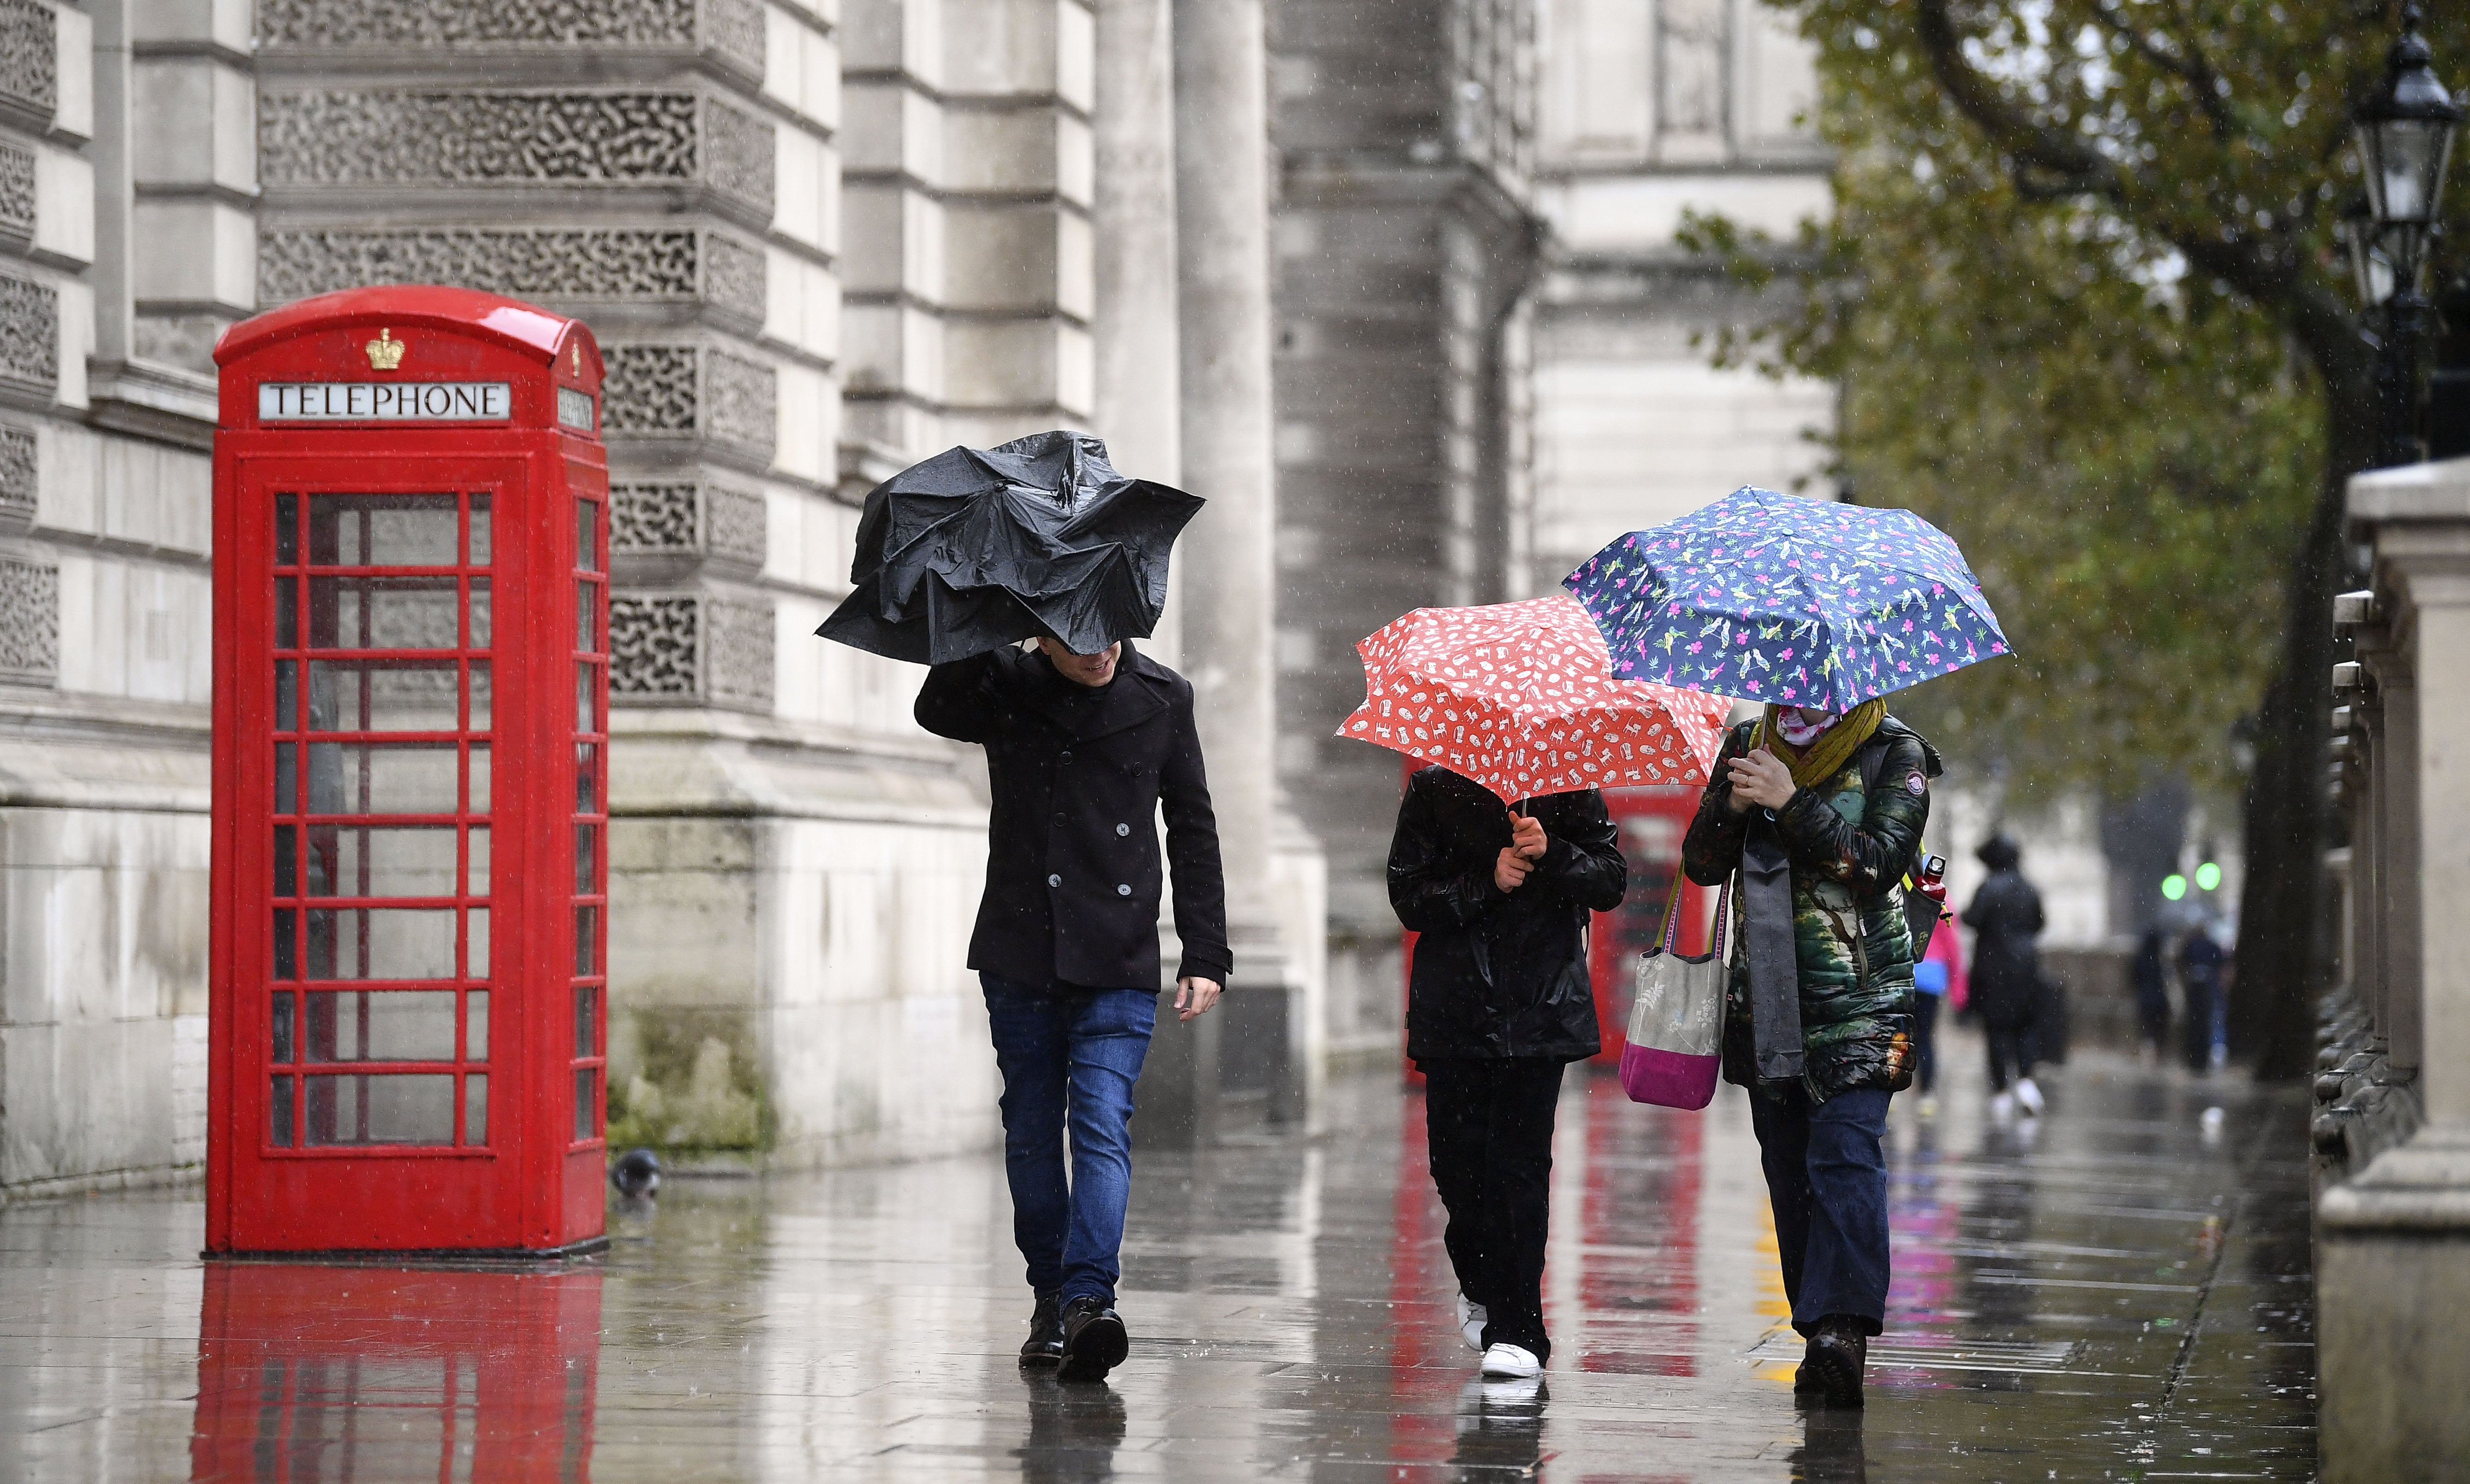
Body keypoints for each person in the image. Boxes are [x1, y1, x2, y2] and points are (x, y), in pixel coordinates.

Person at [915, 635, 1229, 1383]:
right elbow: (935, 709)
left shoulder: (1163, 695)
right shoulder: (1005, 681)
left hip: (1116, 954)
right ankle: (1049, 1297)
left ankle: (1091, 1298)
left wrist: (1205, 951)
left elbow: (1191, 825)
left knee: (1099, 1124)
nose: (1099, 651)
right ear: (1040, 632)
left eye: (1111, 633)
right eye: (1077, 637)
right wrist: (979, 629)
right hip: (1021, 946)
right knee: (1029, 1132)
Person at [1682, 698, 1937, 1409]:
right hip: (1767, 1004)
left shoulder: (1896, 752)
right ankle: (1819, 1322)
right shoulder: (1747, 742)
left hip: (1862, 1006)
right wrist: (1732, 806)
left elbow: (1880, 864)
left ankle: (1843, 1332)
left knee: (1845, 1156)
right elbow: (1701, 864)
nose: (1797, 689)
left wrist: (1792, 802)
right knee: (1789, 1170)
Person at [1389, 766, 1626, 1381]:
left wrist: (1554, 853)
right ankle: (1483, 1281)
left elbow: (1610, 881)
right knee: (1457, 1165)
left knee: (1519, 1168)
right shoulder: (1435, 788)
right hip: (1455, 1010)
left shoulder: (1571, 786)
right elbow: (1408, 895)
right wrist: (1485, 881)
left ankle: (1521, 1327)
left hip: (1540, 1010)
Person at [1962, 835, 2046, 1120]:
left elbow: (1973, 918)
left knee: (1997, 1030)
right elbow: (2039, 923)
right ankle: (2026, 1082)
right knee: (2025, 1027)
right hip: (2026, 970)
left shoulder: (1989, 887)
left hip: (1994, 969)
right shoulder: (2030, 888)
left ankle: (2000, 1092)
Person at [1911, 906, 1963, 1117]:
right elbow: (1952, 945)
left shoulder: (1904, 895)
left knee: (1898, 1034)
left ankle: (1892, 1092)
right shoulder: (1943, 902)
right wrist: (1958, 985)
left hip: (1906, 972)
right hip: (1932, 977)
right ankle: (1926, 1096)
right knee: (1925, 1037)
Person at [2180, 923, 2228, 1074]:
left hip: (2196, 990)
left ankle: (2195, 1058)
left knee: (2196, 1023)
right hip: (2209, 989)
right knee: (2210, 1021)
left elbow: (2183, 962)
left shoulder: (2191, 946)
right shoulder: (2211, 947)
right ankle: (2205, 1057)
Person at [2131, 924, 2173, 1066]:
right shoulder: (2160, 960)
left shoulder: (2141, 958)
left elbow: (2135, 979)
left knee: (2147, 1029)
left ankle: (2148, 1057)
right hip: (2160, 1000)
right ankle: (2158, 1057)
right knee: (2159, 1029)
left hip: (2146, 999)